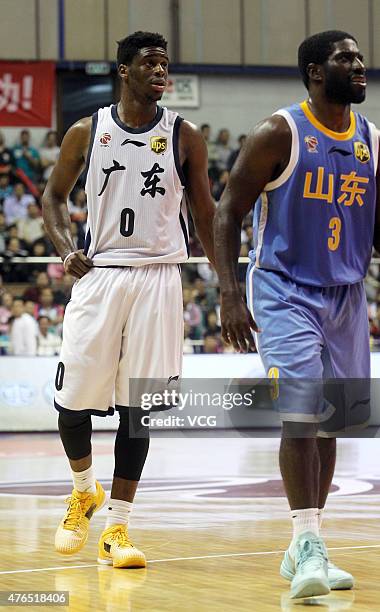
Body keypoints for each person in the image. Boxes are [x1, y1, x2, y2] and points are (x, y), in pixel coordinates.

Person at [214, 30, 380, 599]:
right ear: (314, 71)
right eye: (345, 58)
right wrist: (229, 293)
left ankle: (308, 543)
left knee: (335, 423)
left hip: (347, 296)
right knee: (302, 416)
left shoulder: (371, 140)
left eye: (360, 57)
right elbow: (228, 211)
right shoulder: (278, 132)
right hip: (285, 289)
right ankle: (307, 540)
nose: (359, 65)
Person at [42, 31, 215, 569]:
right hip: (102, 272)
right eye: (149, 63)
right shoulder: (86, 131)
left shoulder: (185, 135)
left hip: (161, 278)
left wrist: (228, 285)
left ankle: (117, 528)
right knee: (72, 401)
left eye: (165, 64)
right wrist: (67, 249)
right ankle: (82, 488)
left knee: (138, 411)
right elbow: (52, 198)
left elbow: (206, 214)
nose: (160, 71)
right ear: (124, 71)